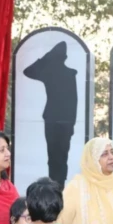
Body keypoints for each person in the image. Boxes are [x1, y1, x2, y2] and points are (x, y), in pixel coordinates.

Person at [23, 41, 78, 186]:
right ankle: (56, 185)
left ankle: (57, 185)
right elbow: (74, 102)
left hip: (56, 120)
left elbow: (29, 71)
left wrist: (44, 59)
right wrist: (72, 123)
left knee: (55, 156)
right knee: (59, 156)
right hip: (59, 121)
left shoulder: (54, 73)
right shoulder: (58, 73)